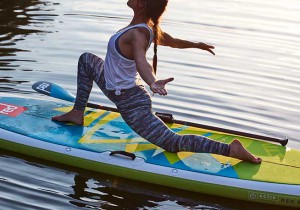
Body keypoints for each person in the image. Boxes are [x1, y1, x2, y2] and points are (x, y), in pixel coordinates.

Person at [52, 0, 262, 164]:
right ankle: (77, 113)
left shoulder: (138, 34)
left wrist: (152, 81)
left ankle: (230, 149)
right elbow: (172, 42)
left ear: (141, 3)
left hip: (130, 102)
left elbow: (142, 61)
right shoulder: (146, 28)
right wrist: (197, 44)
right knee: (86, 60)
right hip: (112, 84)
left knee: (172, 143)